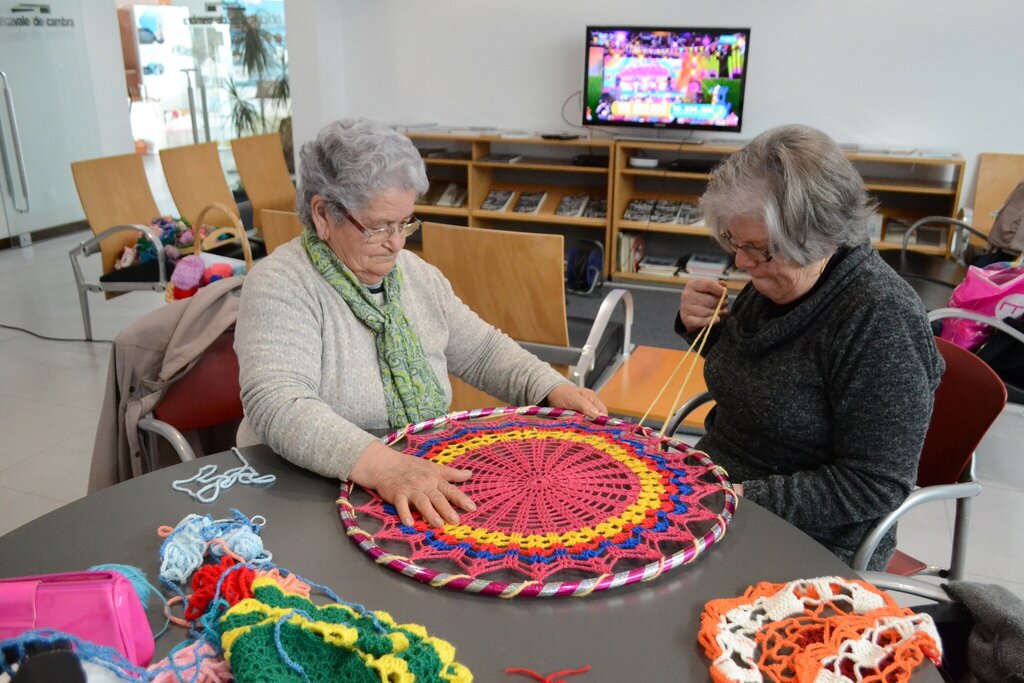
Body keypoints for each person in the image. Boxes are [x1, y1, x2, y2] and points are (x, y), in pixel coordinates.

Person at [235, 118, 606, 530]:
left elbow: (481, 351)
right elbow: (280, 407)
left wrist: (550, 388)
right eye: (379, 226)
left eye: (405, 223)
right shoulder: (280, 284)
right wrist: (386, 467)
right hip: (307, 493)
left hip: (409, 478)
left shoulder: (413, 275)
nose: (397, 242)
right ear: (323, 214)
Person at [676, 124, 944, 570]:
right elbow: (769, 378)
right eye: (733, 243)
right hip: (721, 491)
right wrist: (700, 329)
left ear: (820, 237)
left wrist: (740, 497)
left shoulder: (881, 319)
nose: (741, 262)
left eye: (757, 250)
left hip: (813, 536)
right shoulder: (778, 276)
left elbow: (873, 484)